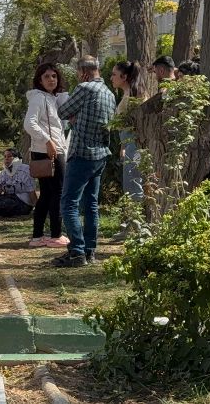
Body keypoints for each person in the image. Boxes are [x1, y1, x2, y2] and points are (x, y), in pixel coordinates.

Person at [54, 56, 116, 267]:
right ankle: (90, 250)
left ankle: (77, 251)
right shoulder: (109, 93)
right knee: (91, 204)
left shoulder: (85, 88)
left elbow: (63, 111)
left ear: (84, 72)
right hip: (100, 155)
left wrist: (75, 117)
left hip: (81, 153)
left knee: (69, 203)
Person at [23, 63, 70, 248]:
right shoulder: (39, 99)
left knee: (47, 194)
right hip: (49, 151)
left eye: (54, 76)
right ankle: (56, 234)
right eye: (47, 76)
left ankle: (38, 236)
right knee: (57, 193)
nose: (51, 79)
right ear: (39, 79)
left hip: (48, 150)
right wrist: (48, 140)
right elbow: (29, 123)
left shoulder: (50, 98)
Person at [111, 61, 147, 200]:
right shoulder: (128, 94)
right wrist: (123, 146)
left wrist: (127, 145)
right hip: (129, 144)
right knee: (131, 182)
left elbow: (137, 126)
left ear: (124, 77)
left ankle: (136, 219)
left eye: (114, 74)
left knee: (133, 183)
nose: (111, 78)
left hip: (136, 145)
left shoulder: (134, 96)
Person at [0, 149, 36, 218]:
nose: (6, 159)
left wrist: (37, 208)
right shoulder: (2, 173)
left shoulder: (26, 171)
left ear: (17, 158)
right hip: (9, 198)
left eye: (9, 156)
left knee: (2, 204)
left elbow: (32, 192)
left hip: (23, 202)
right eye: (5, 156)